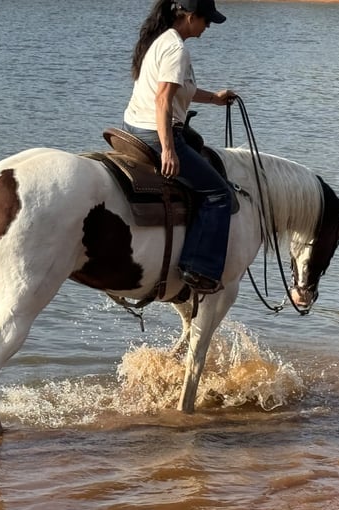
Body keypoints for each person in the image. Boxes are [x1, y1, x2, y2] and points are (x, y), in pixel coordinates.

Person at [123, 0, 237, 294]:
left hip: (134, 126)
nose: (208, 26)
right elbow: (163, 100)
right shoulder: (177, 50)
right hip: (154, 132)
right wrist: (169, 149)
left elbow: (178, 91)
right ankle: (199, 269)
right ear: (189, 17)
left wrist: (214, 98)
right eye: (206, 20)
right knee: (219, 194)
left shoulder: (161, 40)